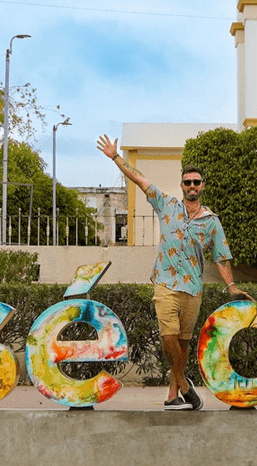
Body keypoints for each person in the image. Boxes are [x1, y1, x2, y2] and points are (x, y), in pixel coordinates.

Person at [97, 134, 247, 410]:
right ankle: (186, 385)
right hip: (165, 284)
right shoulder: (166, 204)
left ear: (203, 186)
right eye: (187, 182)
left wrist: (231, 286)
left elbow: (222, 257)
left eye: (196, 182)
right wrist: (116, 157)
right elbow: (139, 179)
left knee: (184, 342)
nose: (192, 186)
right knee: (168, 338)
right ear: (182, 185)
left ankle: (172, 395)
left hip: (193, 289)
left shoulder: (212, 221)